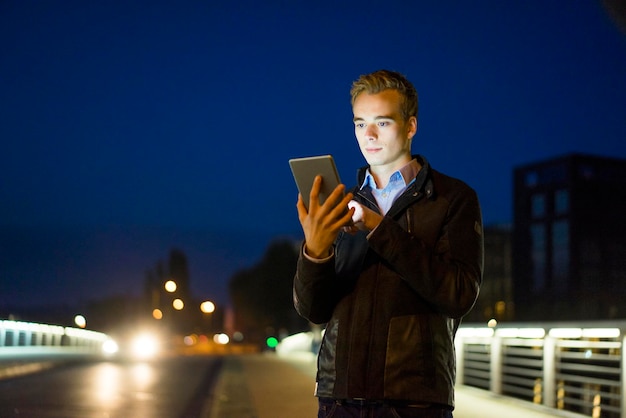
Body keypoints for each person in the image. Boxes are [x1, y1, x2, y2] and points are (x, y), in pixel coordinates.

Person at [293, 69, 484, 418]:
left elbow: (459, 293)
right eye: (359, 123)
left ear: (410, 126)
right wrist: (314, 252)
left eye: (382, 123)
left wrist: (377, 226)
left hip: (413, 401)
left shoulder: (452, 198)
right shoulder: (339, 204)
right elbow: (314, 311)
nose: (368, 135)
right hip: (339, 400)